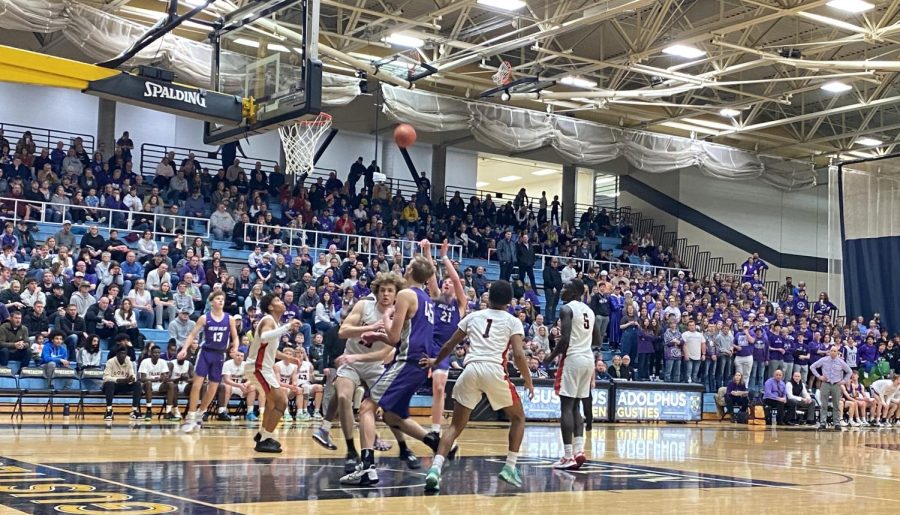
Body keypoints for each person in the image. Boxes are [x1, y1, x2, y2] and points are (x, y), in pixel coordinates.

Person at [339, 248, 444, 486]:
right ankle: (436, 443)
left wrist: (383, 322)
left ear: (408, 271)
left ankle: (367, 468)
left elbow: (394, 338)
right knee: (391, 415)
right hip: (418, 364)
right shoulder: (427, 298)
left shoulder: (406, 294)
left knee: (366, 408)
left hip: (407, 361)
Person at [423, 280, 533, 493]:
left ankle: (435, 470)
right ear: (510, 302)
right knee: (518, 418)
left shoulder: (473, 316)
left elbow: (449, 345)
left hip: (470, 370)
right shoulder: (513, 321)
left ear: (488, 297)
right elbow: (519, 354)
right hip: (494, 370)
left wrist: (435, 362)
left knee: (455, 427)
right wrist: (528, 379)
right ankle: (510, 467)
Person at [314, 272, 412, 473]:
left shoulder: (399, 316)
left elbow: (386, 352)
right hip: (351, 361)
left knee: (391, 407)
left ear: (396, 295)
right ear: (376, 292)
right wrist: (370, 328)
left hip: (374, 365)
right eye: (382, 290)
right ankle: (351, 451)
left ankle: (403, 447)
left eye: (390, 291)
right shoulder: (364, 306)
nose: (385, 294)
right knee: (343, 396)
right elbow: (343, 331)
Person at [544, 278, 599, 470]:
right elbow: (598, 339)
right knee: (576, 407)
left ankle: (567, 456)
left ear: (575, 292)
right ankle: (579, 451)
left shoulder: (567, 309)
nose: (561, 290)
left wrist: (550, 358)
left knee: (566, 408)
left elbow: (565, 340)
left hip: (573, 359)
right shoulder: (590, 311)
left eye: (565, 288)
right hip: (587, 359)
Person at [245, 293, 302, 453]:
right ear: (270, 307)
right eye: (277, 300)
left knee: (272, 403)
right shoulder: (268, 320)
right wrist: (288, 327)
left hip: (264, 367)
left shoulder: (275, 323)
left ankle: (263, 435)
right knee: (282, 401)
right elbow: (264, 337)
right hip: (258, 367)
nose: (281, 301)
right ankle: (265, 438)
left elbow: (269, 349)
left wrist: (287, 358)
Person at [178, 290, 240, 433]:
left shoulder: (229, 319)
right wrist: (184, 349)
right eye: (218, 298)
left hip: (219, 355)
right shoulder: (204, 318)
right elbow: (192, 334)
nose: (220, 301)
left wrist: (235, 347)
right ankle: (191, 416)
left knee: (213, 387)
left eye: (222, 299)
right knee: (197, 385)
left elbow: (235, 338)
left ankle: (201, 412)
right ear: (212, 302)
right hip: (206, 353)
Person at [425, 241, 467, 436]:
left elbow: (457, 280)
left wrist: (444, 257)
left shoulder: (460, 304)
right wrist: (426, 251)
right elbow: (431, 275)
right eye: (445, 282)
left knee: (440, 388)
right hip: (427, 344)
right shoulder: (435, 297)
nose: (447, 283)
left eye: (448, 282)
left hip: (444, 349)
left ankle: (435, 430)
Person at [810, 345, 852, 431]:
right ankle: (822, 423)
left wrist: (844, 381)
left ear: (837, 352)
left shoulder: (841, 362)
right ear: (829, 352)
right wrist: (819, 376)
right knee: (823, 405)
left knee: (836, 405)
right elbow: (812, 367)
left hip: (836, 384)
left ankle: (837, 423)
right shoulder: (824, 360)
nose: (832, 352)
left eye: (834, 351)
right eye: (831, 351)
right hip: (825, 384)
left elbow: (849, 371)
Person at [102, 347, 142, 420]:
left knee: (137, 384)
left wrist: (132, 378)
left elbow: (132, 373)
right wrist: (119, 380)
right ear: (117, 354)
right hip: (113, 385)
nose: (123, 355)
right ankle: (109, 410)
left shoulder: (128, 361)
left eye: (124, 353)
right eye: (121, 353)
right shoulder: (110, 362)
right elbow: (105, 378)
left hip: (124, 384)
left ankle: (134, 410)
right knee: (109, 384)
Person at [138, 345, 178, 420]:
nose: (157, 354)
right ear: (151, 353)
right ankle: (149, 410)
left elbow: (164, 376)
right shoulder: (145, 362)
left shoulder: (162, 362)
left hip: (159, 385)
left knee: (171, 384)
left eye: (158, 353)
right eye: (155, 352)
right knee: (148, 383)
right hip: (146, 386)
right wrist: (156, 379)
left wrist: (165, 378)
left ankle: (168, 412)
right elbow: (142, 378)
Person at [219, 349, 260, 421]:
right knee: (227, 387)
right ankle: (224, 411)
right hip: (229, 386)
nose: (239, 357)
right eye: (238, 355)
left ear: (243, 358)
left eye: (241, 356)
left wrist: (246, 384)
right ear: (234, 356)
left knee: (252, 388)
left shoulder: (246, 365)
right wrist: (240, 385)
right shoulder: (227, 364)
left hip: (241, 387)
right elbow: (227, 380)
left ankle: (250, 413)